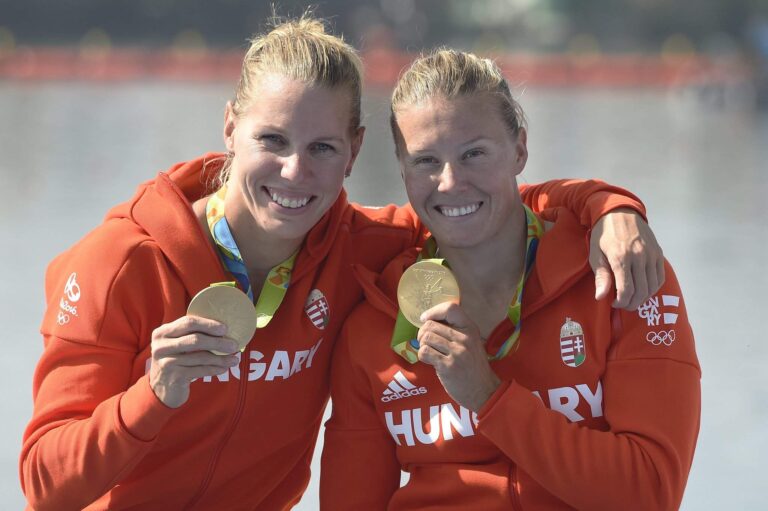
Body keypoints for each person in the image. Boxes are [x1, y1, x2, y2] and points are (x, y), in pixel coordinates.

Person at [21, 15, 663, 511]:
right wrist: (151, 396)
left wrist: (610, 205)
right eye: (272, 140)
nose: (294, 171)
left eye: (322, 147)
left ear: (354, 151)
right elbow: (44, 485)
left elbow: (480, 204)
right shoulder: (121, 263)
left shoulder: (359, 247)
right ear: (230, 127)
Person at [320, 49, 700, 510]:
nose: (450, 182)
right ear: (402, 169)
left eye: (474, 153)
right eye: (425, 161)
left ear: (520, 149)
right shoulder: (372, 327)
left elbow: (650, 493)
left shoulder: (621, 276)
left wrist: (488, 396)